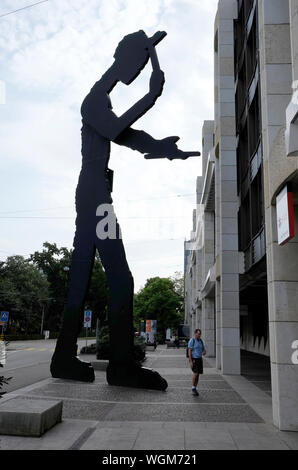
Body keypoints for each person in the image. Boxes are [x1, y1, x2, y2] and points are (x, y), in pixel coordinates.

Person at [50, 30, 200, 390]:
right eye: (141, 60)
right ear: (127, 58)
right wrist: (151, 95)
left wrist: (162, 147)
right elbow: (118, 130)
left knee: (81, 276)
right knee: (121, 277)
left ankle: (63, 358)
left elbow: (129, 136)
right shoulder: (94, 100)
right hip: (94, 195)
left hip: (92, 193)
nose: (141, 67)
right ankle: (119, 366)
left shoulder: (102, 98)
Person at [188, 329, 206, 396]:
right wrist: (190, 362)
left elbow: (203, 349)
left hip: (199, 359)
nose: (199, 335)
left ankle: (195, 388)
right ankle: (193, 388)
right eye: (198, 334)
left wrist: (204, 351)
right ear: (195, 334)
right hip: (194, 359)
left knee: (198, 374)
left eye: (200, 334)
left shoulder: (200, 341)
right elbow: (189, 352)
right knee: (195, 373)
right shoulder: (192, 341)